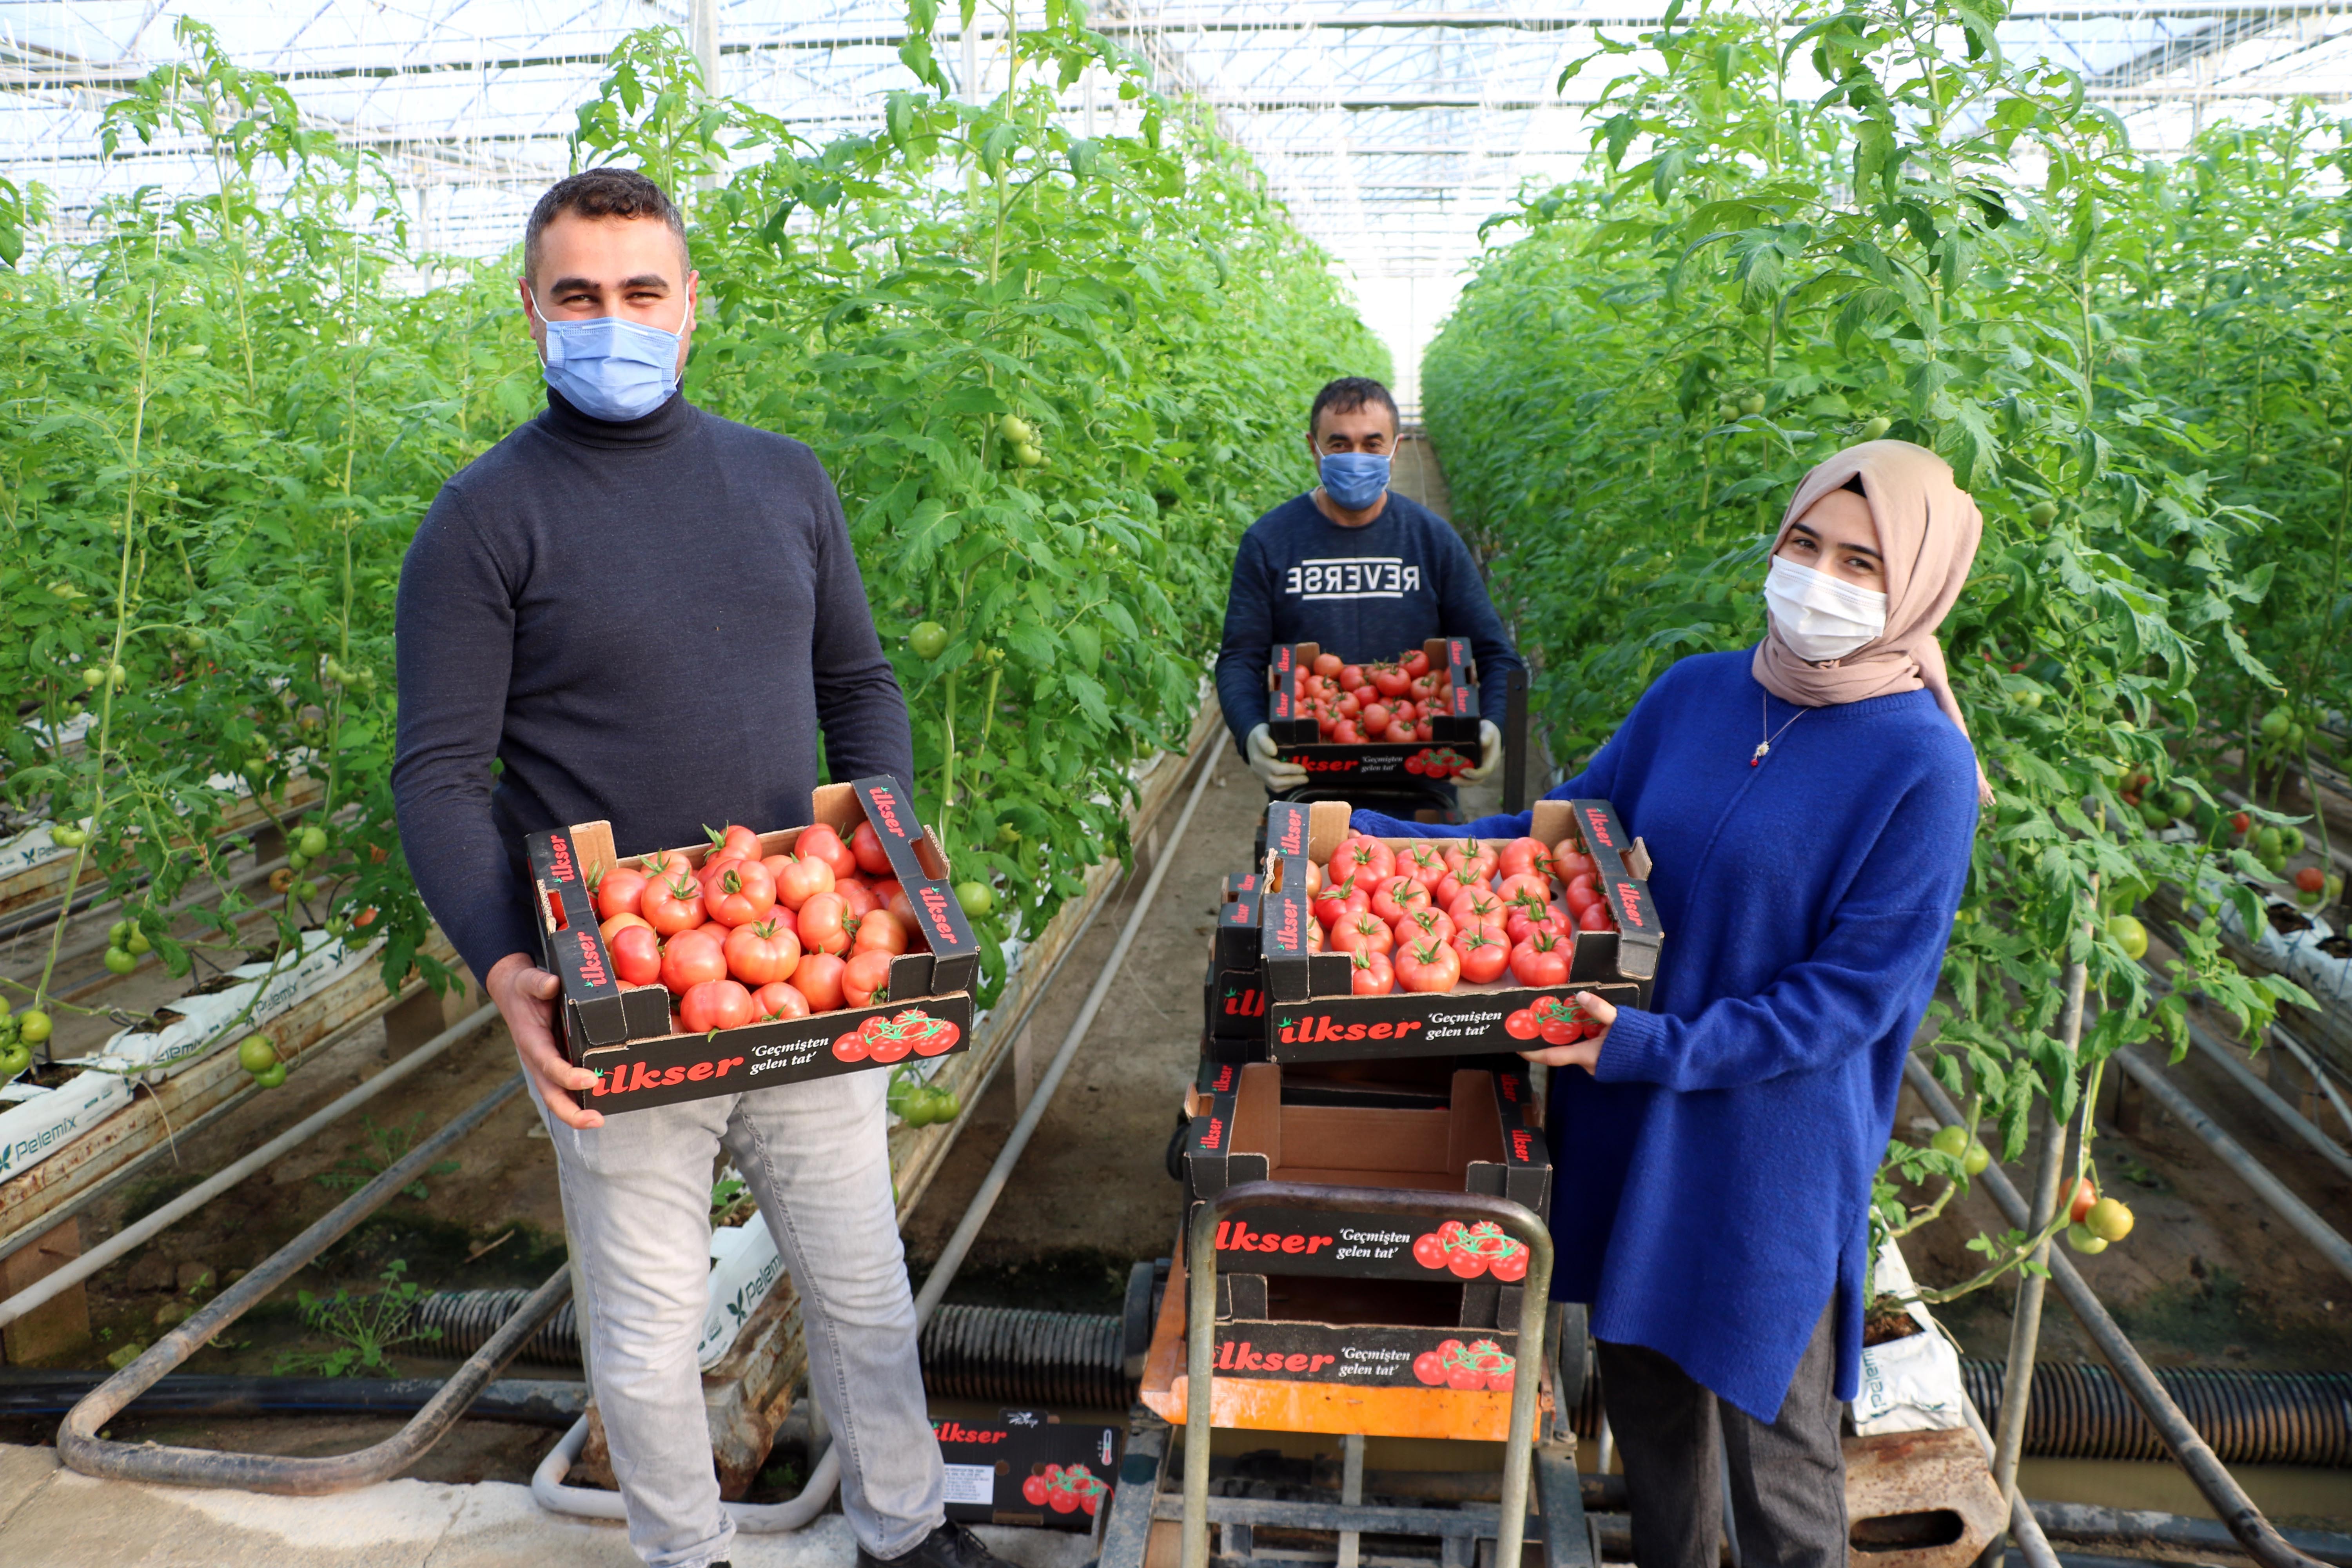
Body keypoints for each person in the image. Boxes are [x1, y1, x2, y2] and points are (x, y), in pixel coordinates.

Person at [392, 168, 1007, 1568]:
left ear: (690, 310)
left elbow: (859, 681)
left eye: (640, 292)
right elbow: (437, 773)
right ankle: (688, 1551)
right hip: (614, 979)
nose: (613, 317)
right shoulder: (484, 520)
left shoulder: (781, 479)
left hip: (799, 959)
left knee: (857, 1283)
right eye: (579, 295)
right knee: (649, 1320)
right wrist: (505, 964)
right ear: (531, 312)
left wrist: (882, 848)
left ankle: (907, 1531)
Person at [1352, 441, 1985, 1568]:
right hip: (1625, 1113)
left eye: (1862, 562)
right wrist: (1369, 841)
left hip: (1764, 1151)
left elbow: (1852, 1001)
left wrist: (1655, 1043)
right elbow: (1558, 836)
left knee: (1779, 1464)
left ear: (1921, 585)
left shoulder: (1922, 767)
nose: (1821, 580)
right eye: (1805, 544)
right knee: (1651, 1430)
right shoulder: (1697, 692)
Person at [1214, 376, 1523, 796]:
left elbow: (1495, 654)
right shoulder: (1270, 542)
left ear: (1395, 449)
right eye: (1339, 444)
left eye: (1373, 444)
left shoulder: (1431, 539)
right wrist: (1251, 733)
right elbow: (1240, 658)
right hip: (1308, 782)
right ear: (1313, 447)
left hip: (1421, 778)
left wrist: (1494, 725)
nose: (1356, 456)